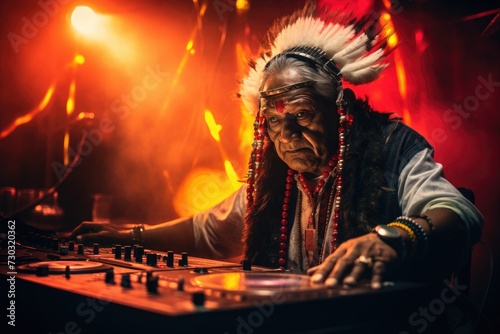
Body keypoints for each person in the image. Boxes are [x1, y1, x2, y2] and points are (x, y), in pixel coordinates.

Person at [71, 3, 482, 290]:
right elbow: (205, 231)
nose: (285, 134)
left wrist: (389, 238)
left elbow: (458, 214)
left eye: (302, 114)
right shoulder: (274, 178)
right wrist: (129, 236)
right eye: (272, 121)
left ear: (339, 110)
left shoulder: (393, 146)